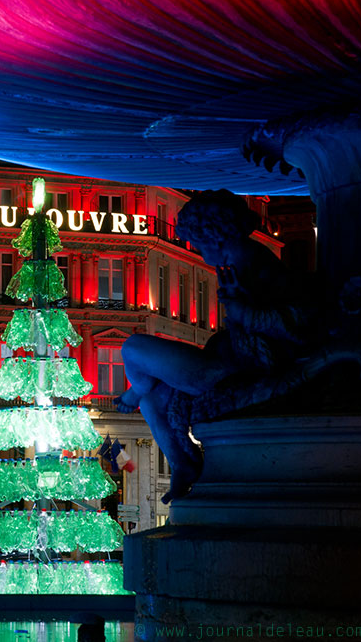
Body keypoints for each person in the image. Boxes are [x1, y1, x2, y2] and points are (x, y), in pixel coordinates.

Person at [117, 190, 317, 503]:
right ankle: (185, 464)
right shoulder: (236, 260)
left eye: (194, 240)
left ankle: (134, 392)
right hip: (228, 359)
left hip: (233, 369)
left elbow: (294, 322)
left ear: (210, 232)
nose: (193, 246)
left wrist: (241, 310)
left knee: (133, 348)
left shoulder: (247, 259)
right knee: (152, 398)